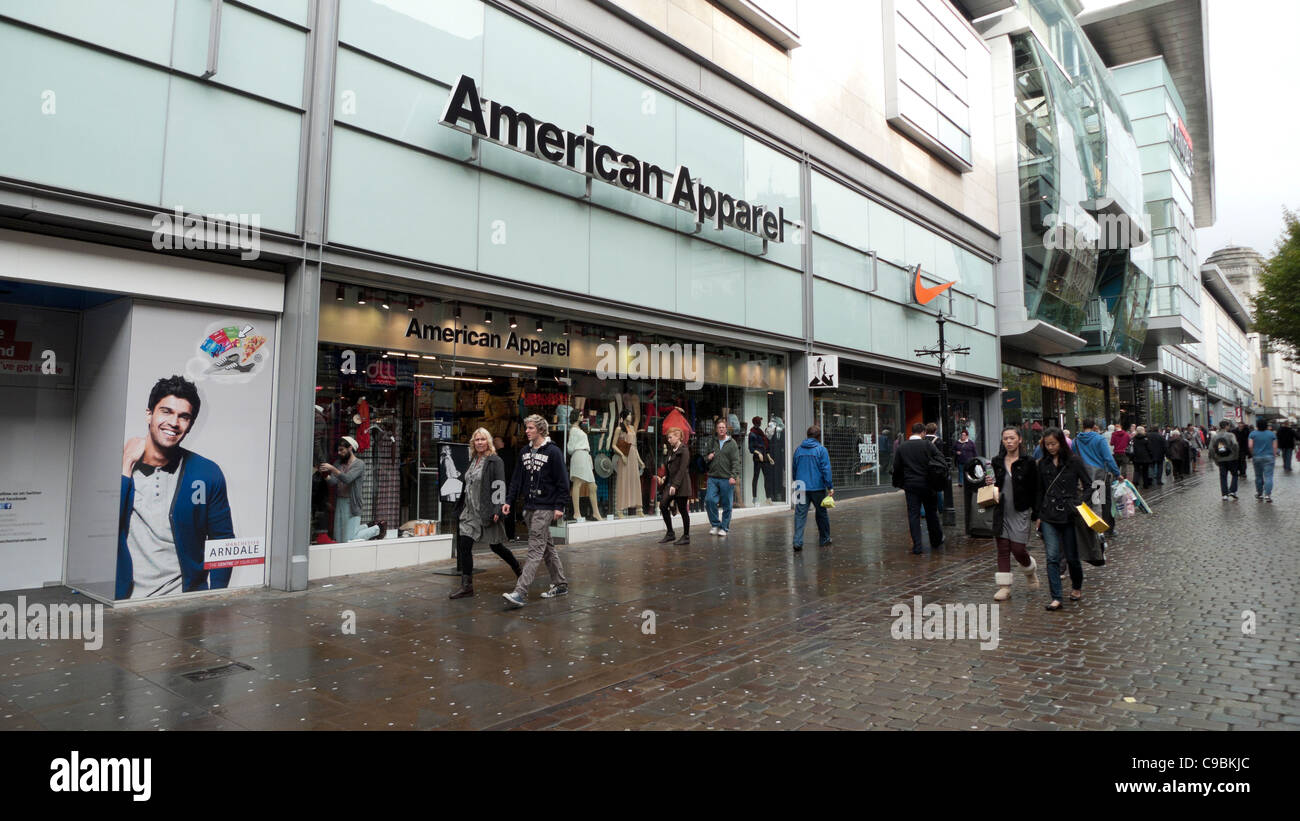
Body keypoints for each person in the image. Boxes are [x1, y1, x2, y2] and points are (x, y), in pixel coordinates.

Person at [118, 375, 235, 599]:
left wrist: (216, 598)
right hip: (124, 601)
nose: (174, 422)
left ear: (189, 426)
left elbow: (223, 540)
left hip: (183, 602)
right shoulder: (118, 466)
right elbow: (103, 529)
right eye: (166, 411)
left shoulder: (207, 473)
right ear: (149, 414)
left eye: (184, 416)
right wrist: (125, 466)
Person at [501, 415, 569, 609]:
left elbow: (563, 482)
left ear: (540, 429)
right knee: (547, 547)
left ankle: (520, 592)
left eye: (530, 428)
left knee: (535, 550)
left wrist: (559, 506)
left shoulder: (553, 452)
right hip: (529, 507)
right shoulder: (524, 451)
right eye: (527, 428)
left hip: (546, 507)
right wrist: (509, 500)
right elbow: (516, 478)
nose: (527, 431)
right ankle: (560, 583)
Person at [449, 428, 522, 599]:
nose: (480, 442)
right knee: (464, 546)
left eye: (483, 439)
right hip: (469, 511)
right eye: (477, 440)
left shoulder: (494, 460)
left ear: (488, 441)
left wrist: (498, 508)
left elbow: (499, 484)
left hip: (486, 510)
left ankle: (520, 572)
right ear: (473, 443)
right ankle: (467, 586)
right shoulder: (473, 459)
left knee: (496, 546)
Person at [1036, 428, 1092, 611]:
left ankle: (1076, 587)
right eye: (1047, 444)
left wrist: (1078, 503)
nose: (1051, 447)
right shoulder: (1042, 463)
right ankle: (1056, 597)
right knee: (1052, 557)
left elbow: (1090, 486)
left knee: (1072, 557)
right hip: (1049, 515)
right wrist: (1038, 514)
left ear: (1061, 442)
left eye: (1054, 444)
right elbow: (1040, 490)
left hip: (1069, 515)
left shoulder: (1074, 461)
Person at [983, 426, 1039, 601]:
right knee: (1003, 548)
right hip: (1001, 509)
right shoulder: (996, 461)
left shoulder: (1028, 462)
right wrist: (989, 482)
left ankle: (1030, 569)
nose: (1009, 441)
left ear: (1019, 439)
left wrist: (1037, 513)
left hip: (1020, 509)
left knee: (1018, 549)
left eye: (1012, 438)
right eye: (1005, 438)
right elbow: (992, 486)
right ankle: (1004, 587)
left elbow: (1036, 489)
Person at [892, 422, 944, 555]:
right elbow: (940, 460)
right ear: (922, 433)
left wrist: (901, 483)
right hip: (927, 484)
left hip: (911, 485)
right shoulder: (927, 445)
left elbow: (896, 467)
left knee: (913, 515)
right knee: (931, 513)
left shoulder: (902, 447)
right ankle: (936, 540)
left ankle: (917, 546)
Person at [791, 424, 833, 551]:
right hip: (817, 488)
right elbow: (826, 469)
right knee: (821, 514)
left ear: (807, 436)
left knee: (800, 514)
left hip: (801, 486)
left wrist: (796, 481)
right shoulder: (821, 450)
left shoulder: (798, 450)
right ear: (818, 437)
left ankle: (797, 542)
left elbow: (794, 468)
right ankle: (824, 539)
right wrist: (829, 486)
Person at [321, 435, 366, 543]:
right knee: (339, 536)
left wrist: (332, 468)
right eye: (338, 450)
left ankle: (375, 529)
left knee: (349, 539)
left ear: (350, 448)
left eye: (342, 450)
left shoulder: (359, 464)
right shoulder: (338, 463)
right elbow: (333, 482)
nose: (339, 453)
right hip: (340, 501)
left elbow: (347, 478)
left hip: (352, 502)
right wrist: (324, 474)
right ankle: (365, 527)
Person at [704, 419, 741, 537]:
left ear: (726, 429)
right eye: (719, 427)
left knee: (727, 504)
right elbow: (704, 457)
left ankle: (724, 527)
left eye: (723, 427)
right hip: (713, 477)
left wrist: (733, 476)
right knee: (709, 500)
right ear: (716, 429)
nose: (721, 429)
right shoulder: (712, 442)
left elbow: (736, 461)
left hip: (727, 478)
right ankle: (715, 525)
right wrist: (708, 457)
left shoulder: (732, 443)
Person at [658, 426, 692, 545]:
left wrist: (675, 485)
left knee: (682, 509)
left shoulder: (684, 450)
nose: (668, 439)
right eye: (668, 437)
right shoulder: (672, 450)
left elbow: (682, 469)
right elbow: (670, 467)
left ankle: (686, 536)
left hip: (681, 484)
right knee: (663, 505)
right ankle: (670, 533)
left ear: (677, 437)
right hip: (671, 483)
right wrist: (664, 478)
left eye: (670, 437)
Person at [495, 435, 519, 541]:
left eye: (497, 440)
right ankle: (507, 535)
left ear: (503, 443)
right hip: (502, 486)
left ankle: (508, 535)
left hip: (506, 486)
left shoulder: (505, 454)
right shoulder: (496, 455)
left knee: (506, 510)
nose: (494, 442)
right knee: (501, 510)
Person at [1248, 418, 1278, 502]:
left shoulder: (1252, 434)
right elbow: (1275, 447)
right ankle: (1267, 495)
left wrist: (1253, 454)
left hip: (1257, 457)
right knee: (1268, 476)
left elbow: (1250, 446)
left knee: (1258, 476)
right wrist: (1274, 455)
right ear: (1266, 425)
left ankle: (1259, 493)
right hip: (1269, 457)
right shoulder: (1272, 434)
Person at [1209, 420, 1240, 501]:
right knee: (1235, 474)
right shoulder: (1231, 435)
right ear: (1226, 426)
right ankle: (1233, 491)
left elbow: (1211, 449)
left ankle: (1224, 495)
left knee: (1223, 477)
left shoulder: (1215, 437)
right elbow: (1235, 444)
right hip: (1231, 458)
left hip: (1220, 459)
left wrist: (1215, 459)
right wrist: (1235, 455)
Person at [748, 415, 775, 504]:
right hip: (757, 458)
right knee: (756, 477)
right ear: (756, 422)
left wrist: (769, 456)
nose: (761, 423)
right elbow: (751, 448)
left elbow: (765, 446)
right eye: (759, 421)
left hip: (764, 457)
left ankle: (768, 497)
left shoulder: (761, 432)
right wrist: (758, 453)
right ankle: (754, 498)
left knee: (767, 477)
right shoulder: (752, 434)